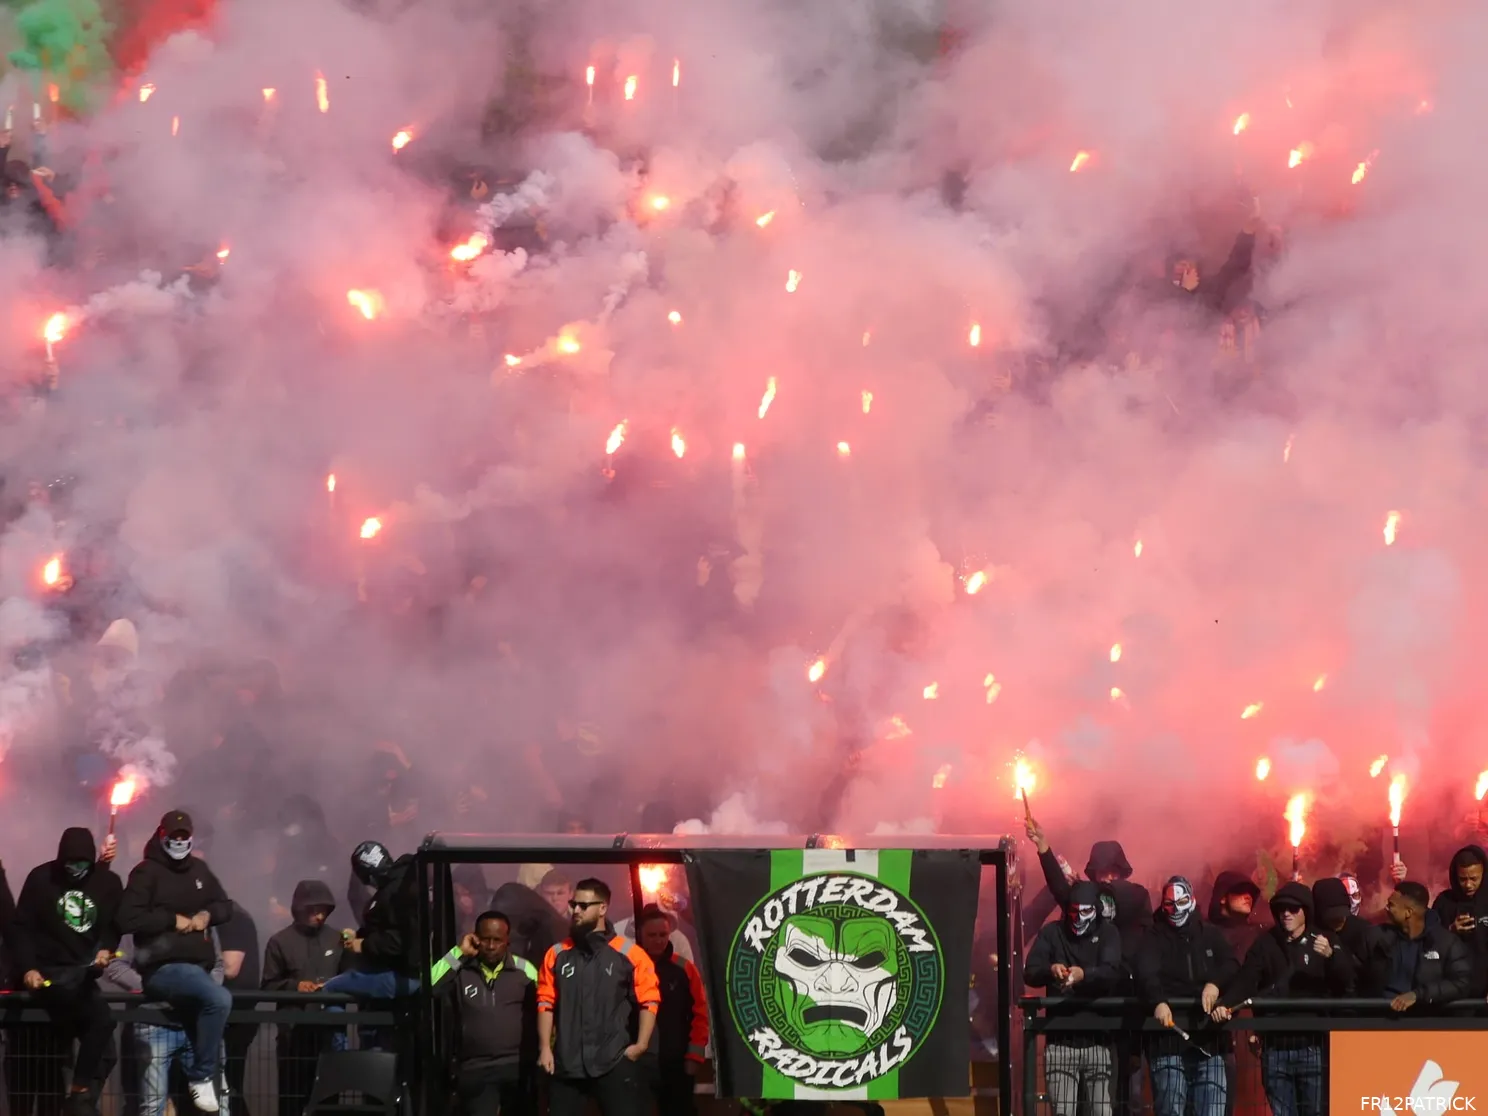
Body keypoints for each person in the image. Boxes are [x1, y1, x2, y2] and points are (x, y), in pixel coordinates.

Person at [117, 810, 234, 1113]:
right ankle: (202, 1075)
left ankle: (205, 1075)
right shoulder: (146, 872)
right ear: (161, 835)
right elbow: (127, 916)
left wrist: (208, 915)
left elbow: (225, 906)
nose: (180, 841)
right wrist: (171, 920)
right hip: (163, 969)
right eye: (174, 836)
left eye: (185, 836)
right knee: (219, 999)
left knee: (214, 997)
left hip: (198, 973)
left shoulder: (200, 870)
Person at [1212, 882, 1354, 1116]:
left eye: (1293, 909)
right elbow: (1246, 980)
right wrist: (1227, 1005)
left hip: (1314, 1048)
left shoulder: (1325, 940)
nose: (1286, 913)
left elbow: (1348, 982)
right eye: (1281, 909)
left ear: (1305, 911)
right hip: (1275, 1049)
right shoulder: (1265, 944)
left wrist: (1332, 956)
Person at [10, 827, 122, 1116]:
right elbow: (20, 928)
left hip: (82, 974)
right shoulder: (40, 878)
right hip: (48, 972)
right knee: (49, 1059)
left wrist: (106, 949)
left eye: (83, 864)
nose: (76, 870)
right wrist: (28, 968)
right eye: (71, 863)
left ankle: (79, 1094)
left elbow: (113, 925)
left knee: (104, 1030)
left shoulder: (108, 882)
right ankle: (75, 1098)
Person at [537, 878, 660, 1116]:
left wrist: (641, 1045)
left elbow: (649, 999)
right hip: (567, 1065)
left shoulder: (630, 953)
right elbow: (545, 1001)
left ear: (603, 908)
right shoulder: (557, 953)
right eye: (574, 904)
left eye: (584, 906)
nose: (575, 911)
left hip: (613, 1062)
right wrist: (544, 1048)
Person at [1135, 876, 1237, 1116]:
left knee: (1212, 1110)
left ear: (1191, 900)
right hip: (1168, 1043)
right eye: (1169, 904)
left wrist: (1215, 984)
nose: (1175, 909)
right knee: (1171, 1109)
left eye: (1181, 902)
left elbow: (1232, 965)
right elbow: (1145, 972)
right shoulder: (1153, 936)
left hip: (1210, 1041)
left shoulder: (1210, 933)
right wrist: (1158, 1001)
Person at [1024, 881, 1122, 1116]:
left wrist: (1084, 974)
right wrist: (1051, 970)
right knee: (1063, 1112)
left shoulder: (1108, 932)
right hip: (1060, 1043)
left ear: (1096, 910)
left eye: (1086, 910)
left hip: (1099, 1042)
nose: (1079, 917)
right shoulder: (1051, 932)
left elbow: (1111, 972)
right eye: (1074, 910)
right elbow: (1030, 971)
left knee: (1102, 1112)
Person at [431, 910, 538, 1116]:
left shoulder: (525, 970)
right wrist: (459, 953)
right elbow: (431, 986)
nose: (490, 946)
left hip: (518, 1066)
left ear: (507, 940)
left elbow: (545, 1009)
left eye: (497, 940)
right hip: (475, 1068)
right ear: (475, 938)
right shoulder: (461, 968)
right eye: (485, 939)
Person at [262, 880, 346, 1116]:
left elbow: (352, 977)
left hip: (329, 1036)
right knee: (291, 1099)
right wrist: (296, 986)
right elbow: (267, 985)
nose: (319, 916)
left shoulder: (338, 939)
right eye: (313, 909)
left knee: (329, 1101)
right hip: (293, 1036)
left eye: (323, 910)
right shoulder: (279, 942)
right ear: (298, 909)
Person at [635, 905, 709, 1116]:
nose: (658, 940)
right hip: (638, 1062)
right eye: (652, 935)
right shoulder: (628, 967)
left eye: (663, 934)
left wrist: (694, 1056)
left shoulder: (685, 969)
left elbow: (700, 1014)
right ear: (640, 934)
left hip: (677, 1062)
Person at [1362, 881, 1472, 1012]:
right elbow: (1355, 978)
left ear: (1408, 912)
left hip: (1427, 1022)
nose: (1386, 908)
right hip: (1380, 1020)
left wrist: (1418, 995)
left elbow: (1461, 983)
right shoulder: (1375, 937)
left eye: (1391, 905)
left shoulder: (1446, 942)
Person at [1430, 846, 1488, 997]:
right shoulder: (1444, 902)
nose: (1468, 885)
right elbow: (1428, 946)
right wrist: (1450, 931)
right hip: (1453, 992)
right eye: (1463, 879)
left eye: (1474, 878)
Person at [1311, 877, 1374, 973]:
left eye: (1341, 913)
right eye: (1331, 916)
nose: (1339, 919)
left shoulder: (1364, 931)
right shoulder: (1310, 932)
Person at [1205, 871, 1263, 959]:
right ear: (1222, 897)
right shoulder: (1202, 933)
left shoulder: (1259, 934)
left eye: (1251, 893)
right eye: (1241, 890)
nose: (1248, 896)